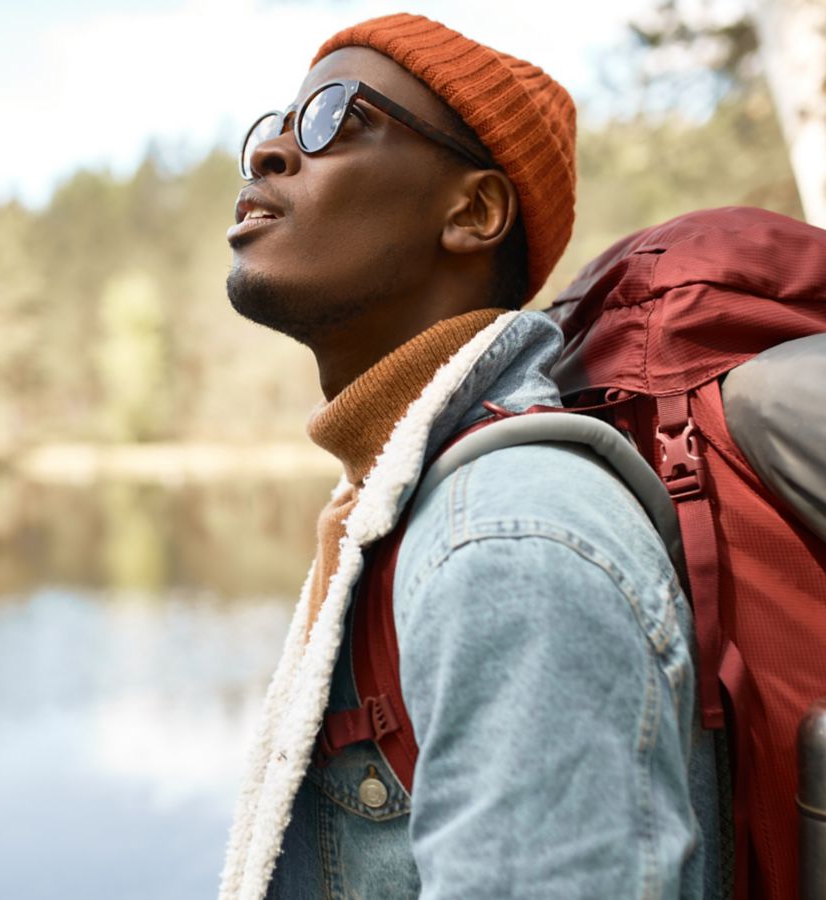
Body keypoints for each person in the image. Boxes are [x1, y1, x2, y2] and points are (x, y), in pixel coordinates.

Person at [218, 13, 723, 900]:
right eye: (278, 125)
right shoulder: (404, 505)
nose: (268, 154)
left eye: (335, 118)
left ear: (474, 212)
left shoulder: (507, 539)